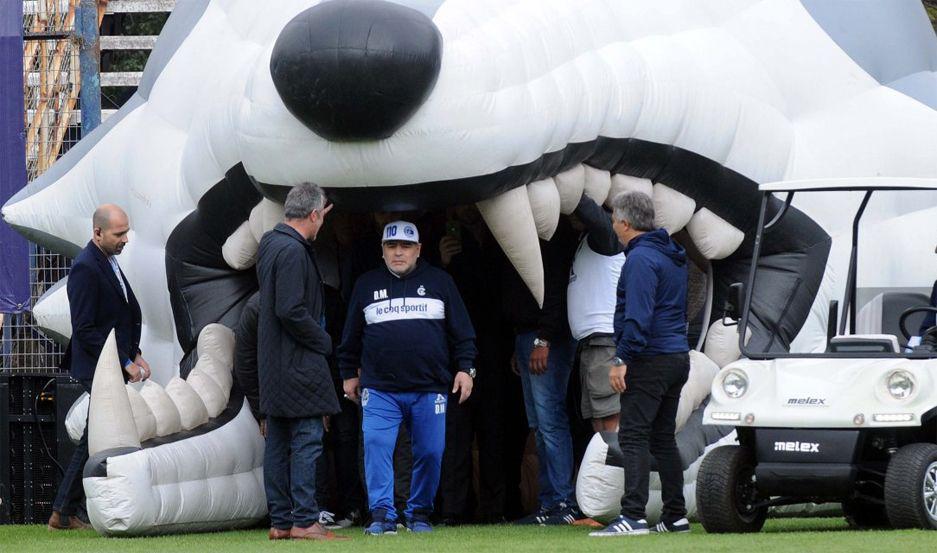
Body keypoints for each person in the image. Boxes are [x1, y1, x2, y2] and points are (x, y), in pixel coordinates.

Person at [338, 220, 476, 535]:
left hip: (430, 388)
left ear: (418, 250)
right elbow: (350, 338)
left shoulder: (441, 281)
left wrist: (466, 369)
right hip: (380, 388)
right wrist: (348, 373)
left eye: (406, 246)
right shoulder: (365, 284)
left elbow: (463, 334)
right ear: (382, 250)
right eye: (392, 246)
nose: (398, 252)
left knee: (430, 451)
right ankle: (383, 515)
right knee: (376, 446)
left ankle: (419, 514)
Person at [590, 191, 691, 537]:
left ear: (626, 223)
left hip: (649, 357)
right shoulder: (672, 255)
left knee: (633, 436)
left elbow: (638, 315)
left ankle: (632, 516)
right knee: (663, 438)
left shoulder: (640, 260)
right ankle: (675, 515)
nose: (613, 225)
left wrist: (622, 358)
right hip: (677, 356)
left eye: (614, 219)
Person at [256, 183, 345, 541]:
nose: (324, 221)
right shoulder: (293, 251)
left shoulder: (269, 243)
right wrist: (323, 341)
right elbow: (290, 309)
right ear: (313, 214)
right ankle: (306, 520)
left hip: (273, 362)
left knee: (277, 441)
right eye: (323, 214)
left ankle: (280, 521)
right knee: (307, 439)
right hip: (298, 362)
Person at [49, 204, 147, 530]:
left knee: (94, 437)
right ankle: (64, 511)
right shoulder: (86, 268)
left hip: (109, 365)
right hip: (98, 367)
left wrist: (136, 353)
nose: (125, 239)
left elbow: (117, 316)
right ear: (98, 233)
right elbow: (86, 329)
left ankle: (64, 511)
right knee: (96, 437)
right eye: (119, 234)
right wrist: (125, 362)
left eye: (126, 231)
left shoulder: (105, 260)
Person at [437, 205, 512, 524]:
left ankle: (498, 509)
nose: (467, 210)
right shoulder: (444, 244)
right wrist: (442, 262)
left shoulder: (505, 232)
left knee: (495, 435)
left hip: (497, 348)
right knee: (456, 437)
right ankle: (455, 510)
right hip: (456, 354)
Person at [505, 217, 581, 526]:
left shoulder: (553, 232)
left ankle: (563, 502)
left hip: (548, 338)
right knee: (538, 424)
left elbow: (557, 287)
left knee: (550, 422)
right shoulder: (530, 232)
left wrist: (544, 337)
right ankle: (549, 503)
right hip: (528, 335)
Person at [568, 195, 626, 433]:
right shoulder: (586, 241)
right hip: (591, 344)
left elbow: (598, 219)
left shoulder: (607, 239)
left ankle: (614, 468)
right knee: (596, 416)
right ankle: (604, 466)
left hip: (605, 341)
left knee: (609, 416)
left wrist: (575, 195)